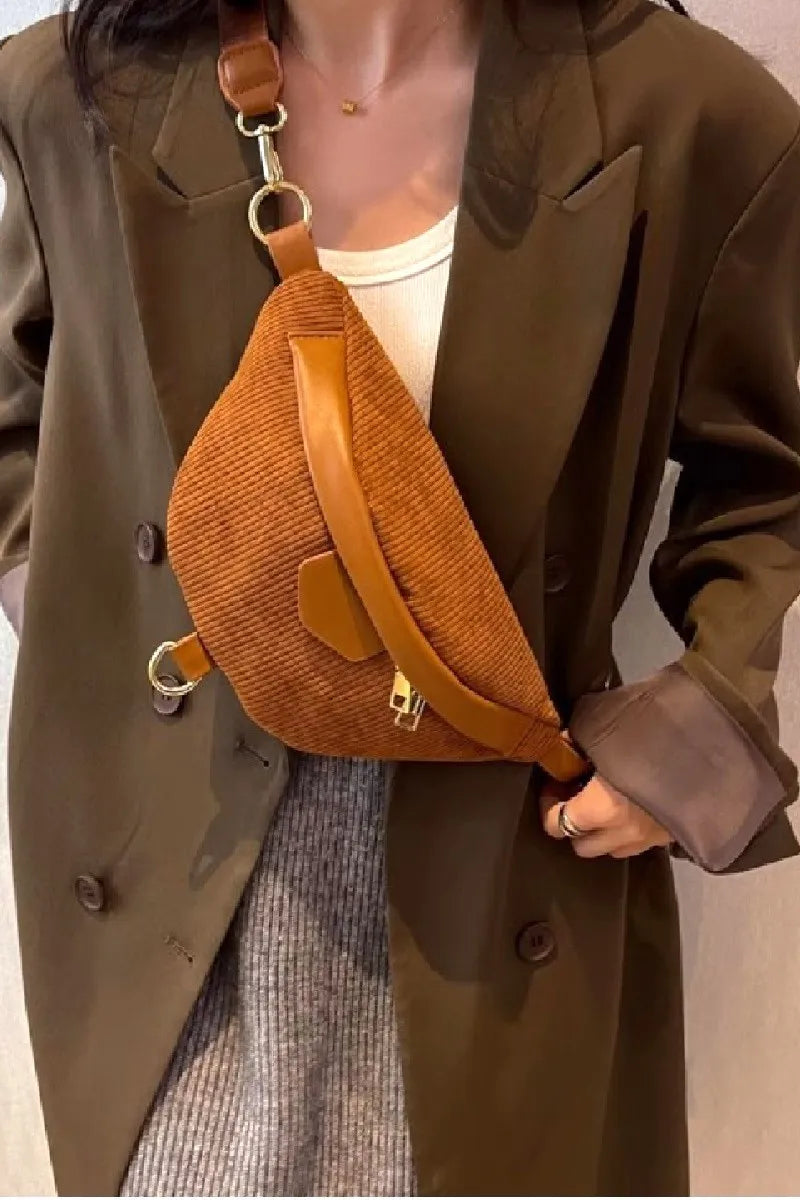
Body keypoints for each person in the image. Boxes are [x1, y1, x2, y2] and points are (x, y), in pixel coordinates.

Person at [1, 0, 799, 1193]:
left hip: (499, 870)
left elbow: (763, 479)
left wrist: (687, 743)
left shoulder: (686, 117)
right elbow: (22, 416)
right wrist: (76, 609)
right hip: (176, 875)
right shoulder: (73, 96)